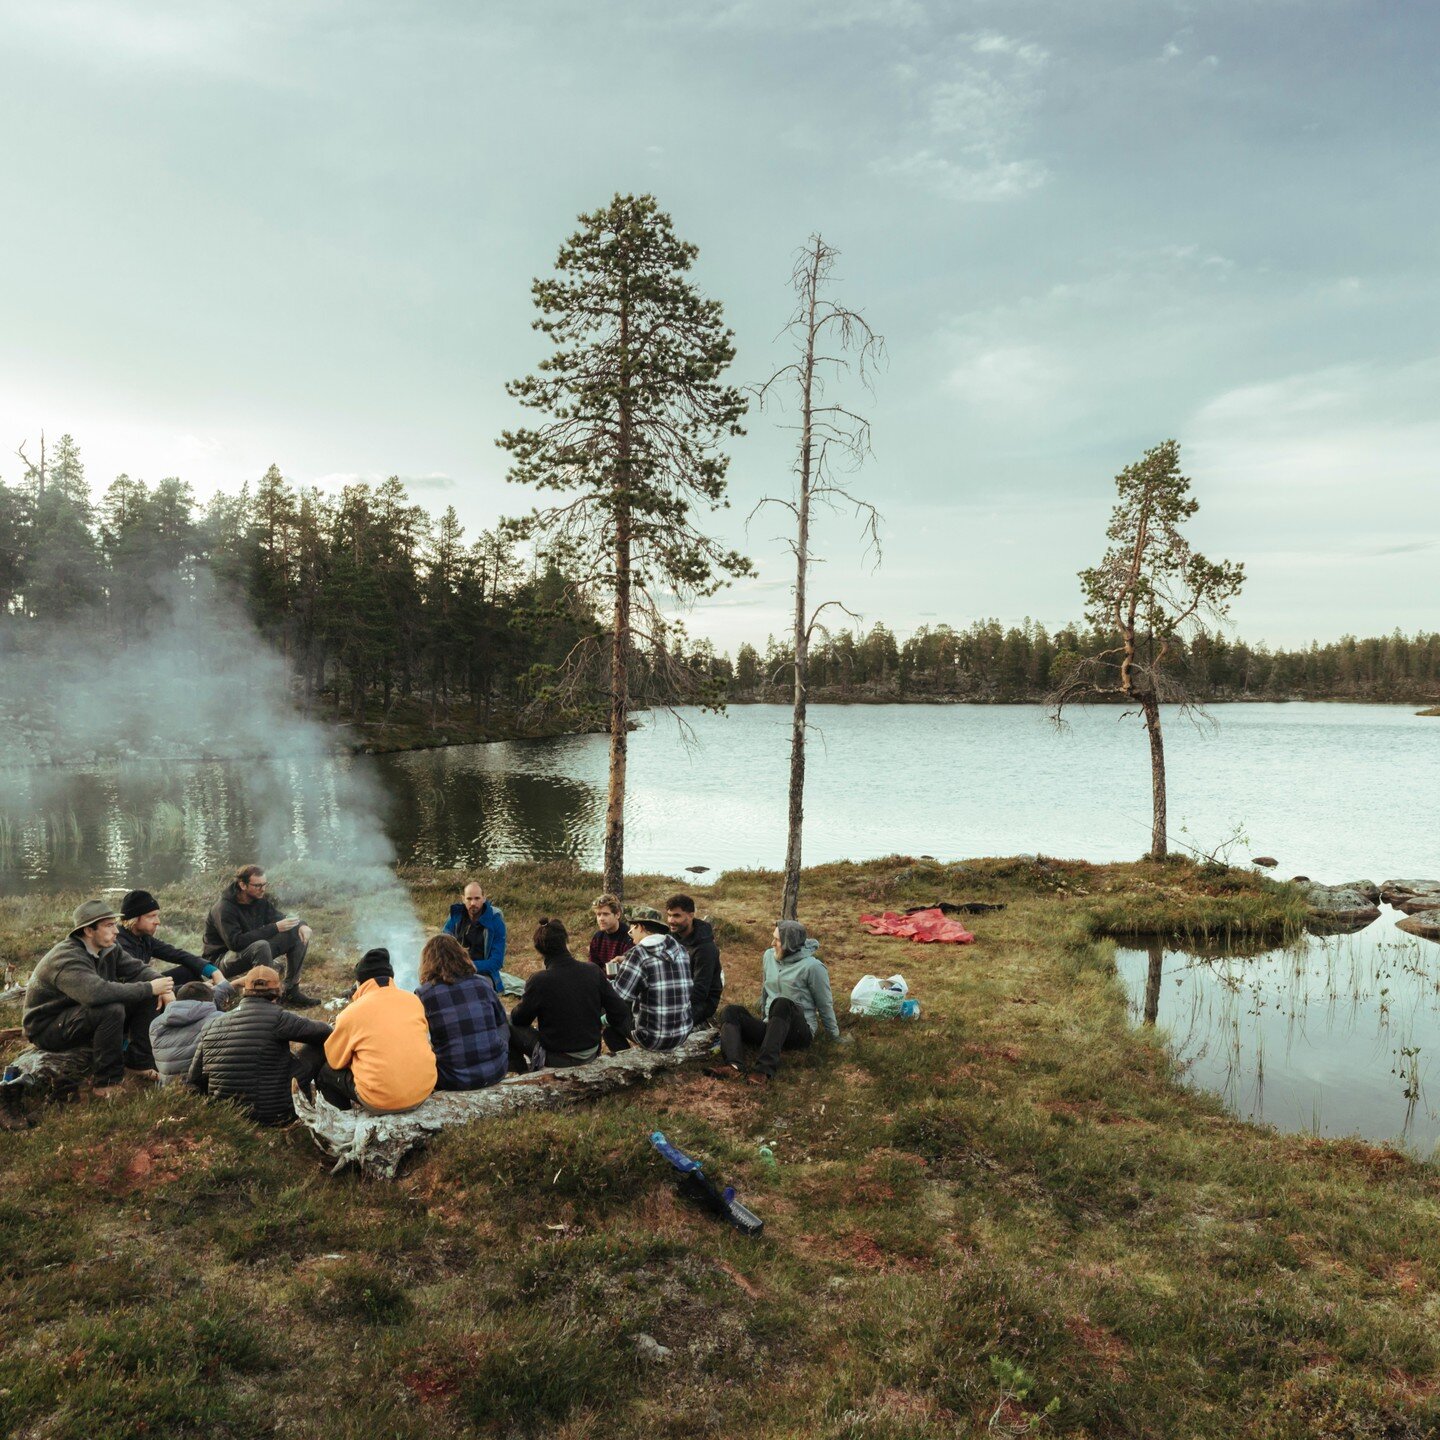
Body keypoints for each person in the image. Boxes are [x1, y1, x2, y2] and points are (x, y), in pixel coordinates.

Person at [21, 899, 175, 1100]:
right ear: (88, 931)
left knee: (146, 995)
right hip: (47, 1027)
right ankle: (106, 1083)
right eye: (109, 925)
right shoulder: (66, 958)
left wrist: (161, 985)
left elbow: (137, 968)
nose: (117, 931)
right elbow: (95, 994)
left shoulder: (109, 947)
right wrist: (148, 987)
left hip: (76, 1013)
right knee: (111, 1008)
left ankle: (138, 1063)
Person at [186, 965, 331, 1125]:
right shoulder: (279, 1018)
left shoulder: (211, 1024)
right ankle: (326, 1102)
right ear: (278, 991)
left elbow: (193, 1080)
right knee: (320, 1046)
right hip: (275, 1115)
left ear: (244, 990)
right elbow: (325, 1031)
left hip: (226, 1116)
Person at [712, 920, 840, 1085]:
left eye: (777, 940)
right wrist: (763, 1017)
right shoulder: (768, 956)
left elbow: (825, 1004)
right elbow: (766, 990)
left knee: (782, 1003)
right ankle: (734, 1066)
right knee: (731, 1011)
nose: (772, 943)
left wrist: (834, 1036)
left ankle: (763, 1071)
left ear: (790, 944)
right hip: (772, 1026)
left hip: (799, 1033)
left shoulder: (813, 967)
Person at [318, 950, 437, 1112]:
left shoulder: (352, 1013)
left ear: (360, 982)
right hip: (423, 1091)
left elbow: (335, 1060)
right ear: (390, 978)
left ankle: (343, 1120)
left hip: (381, 1100)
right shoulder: (413, 1000)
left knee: (326, 1073)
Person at [509, 918, 632, 1072]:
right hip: (591, 1052)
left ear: (539, 949)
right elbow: (620, 1011)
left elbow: (520, 1019)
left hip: (557, 1057)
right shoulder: (593, 971)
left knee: (507, 1020)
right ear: (566, 942)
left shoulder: (539, 980)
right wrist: (601, 1023)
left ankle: (523, 1073)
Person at [201, 864, 319, 1008]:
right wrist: (274, 928)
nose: (263, 889)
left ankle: (291, 990)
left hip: (247, 951)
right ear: (242, 885)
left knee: (296, 933)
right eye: (257, 885)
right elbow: (235, 943)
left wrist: (302, 924)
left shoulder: (259, 900)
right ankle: (263, 1000)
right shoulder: (224, 908)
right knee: (261, 946)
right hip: (220, 961)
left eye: (264, 884)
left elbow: (280, 918)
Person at [418, 934, 509, 1092]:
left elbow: (419, 1041)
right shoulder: (483, 983)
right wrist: (502, 1046)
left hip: (453, 1079)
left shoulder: (424, 994)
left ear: (428, 962)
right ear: (462, 955)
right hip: (496, 1070)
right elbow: (502, 1023)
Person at [608, 906, 693, 1053]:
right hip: (682, 1032)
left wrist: (604, 982)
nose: (631, 934)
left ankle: (633, 1063)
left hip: (653, 1039)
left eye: (631, 929)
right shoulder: (681, 949)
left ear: (640, 927)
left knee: (609, 1027)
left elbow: (618, 997)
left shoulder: (638, 953)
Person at [117, 888, 219, 985]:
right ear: (133, 919)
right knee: (190, 986)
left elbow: (177, 954)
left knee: (189, 971)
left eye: (157, 915)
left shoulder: (143, 937)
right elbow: (137, 985)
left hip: (144, 986)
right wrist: (183, 989)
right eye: (151, 916)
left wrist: (212, 971)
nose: (158, 921)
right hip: (130, 996)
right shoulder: (120, 944)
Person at [149, 978, 232, 1083]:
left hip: (169, 1091)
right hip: (203, 1090)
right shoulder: (219, 1020)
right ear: (210, 1001)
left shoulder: (156, 1024)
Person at [665, 893, 723, 1028]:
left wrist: (670, 1002)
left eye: (676, 916)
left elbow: (700, 991)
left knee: (667, 1022)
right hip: (675, 995)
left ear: (690, 915)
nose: (671, 920)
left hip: (701, 1003)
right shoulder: (671, 938)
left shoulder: (705, 948)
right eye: (669, 915)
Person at [442, 880, 507, 992]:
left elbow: (497, 962)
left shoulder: (495, 919)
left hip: (483, 973)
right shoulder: (456, 916)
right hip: (456, 970)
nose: (473, 903)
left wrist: (466, 966)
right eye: (469, 899)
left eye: (477, 898)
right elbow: (442, 945)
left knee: (475, 990)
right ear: (463, 899)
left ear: (484, 898)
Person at [587, 893, 633, 972]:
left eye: (606, 914)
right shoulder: (598, 937)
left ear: (617, 915)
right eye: (598, 915)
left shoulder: (629, 936)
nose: (601, 919)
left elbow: (632, 966)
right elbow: (593, 967)